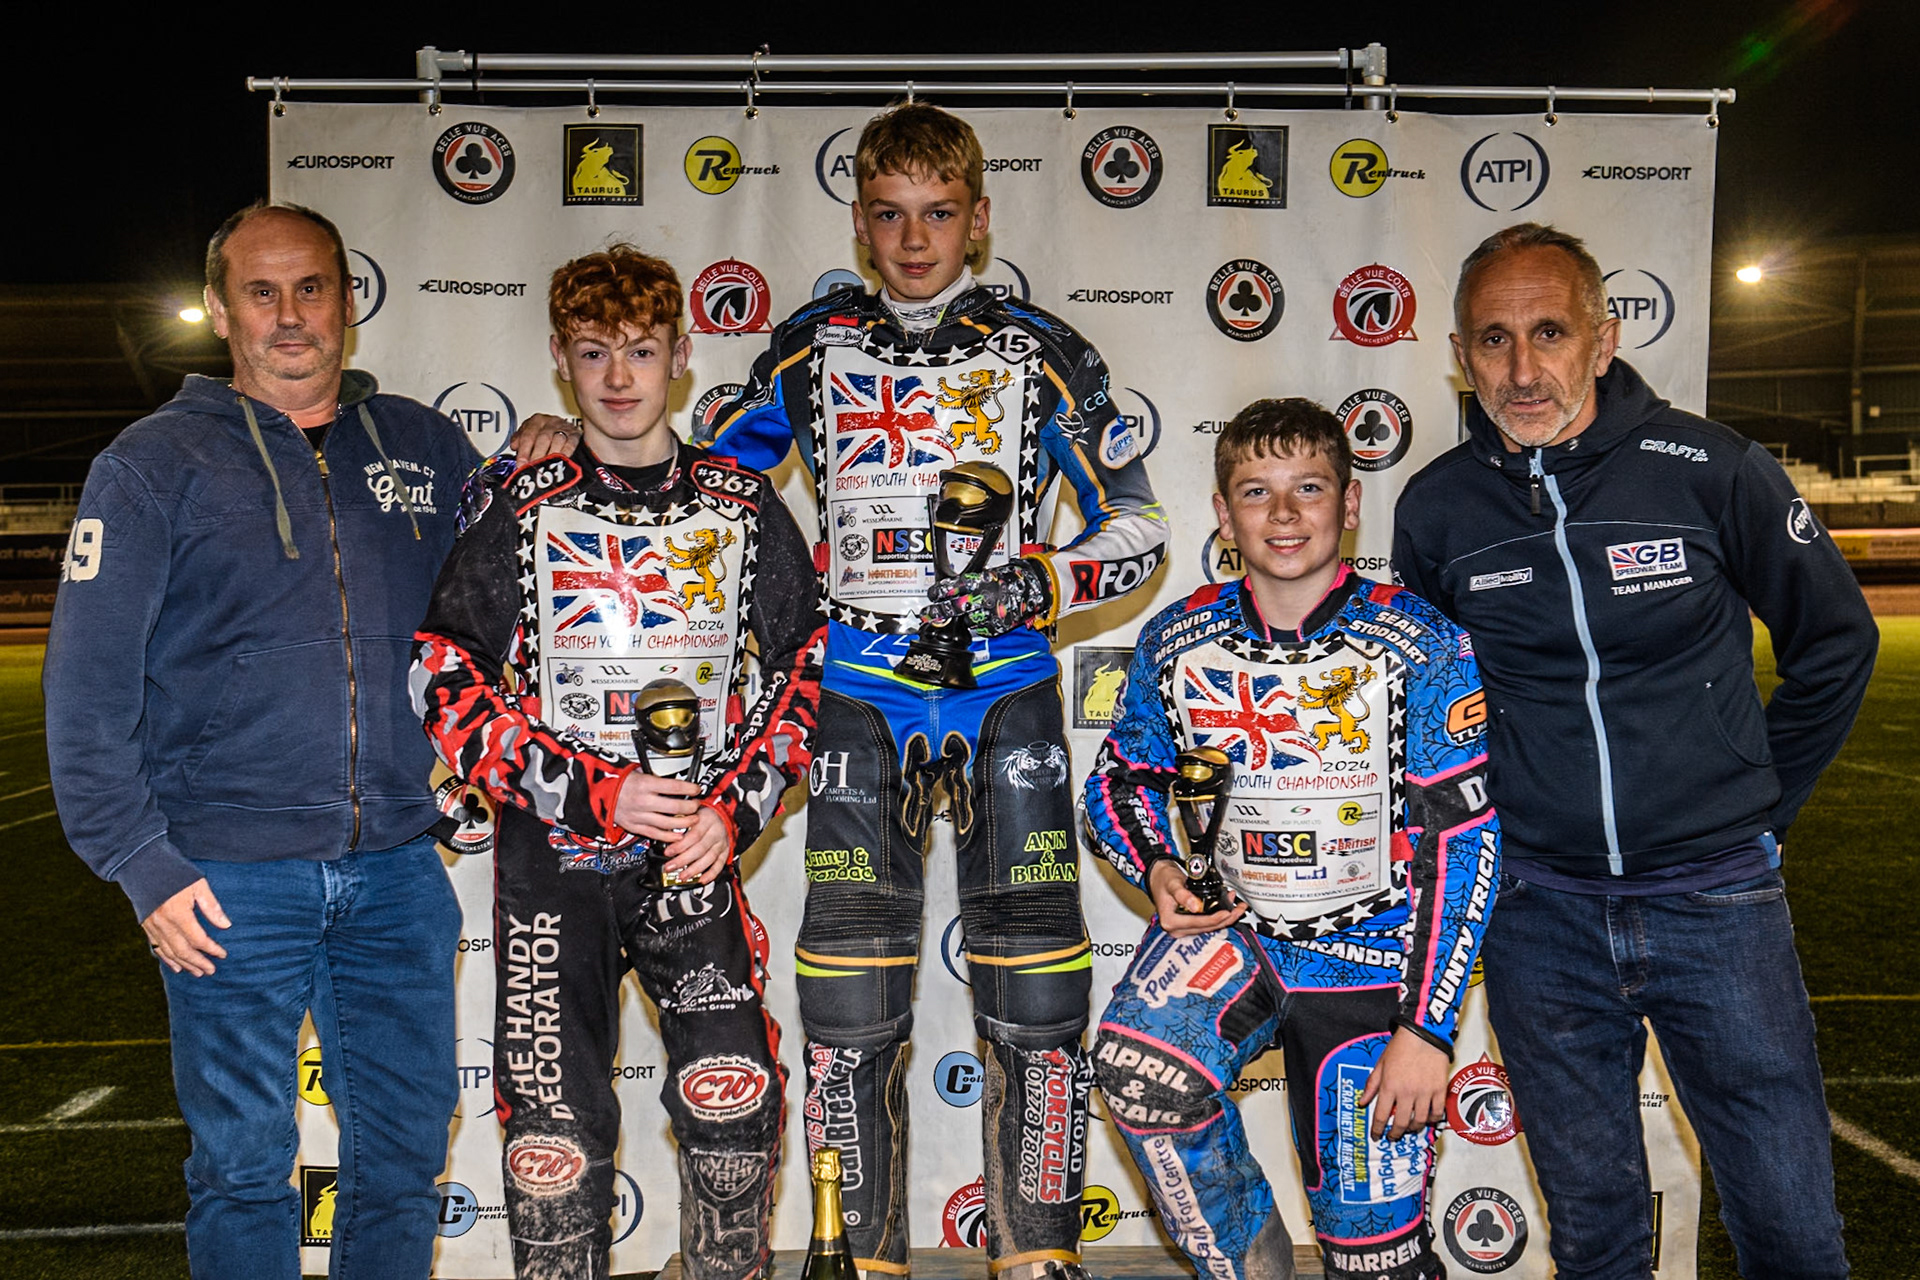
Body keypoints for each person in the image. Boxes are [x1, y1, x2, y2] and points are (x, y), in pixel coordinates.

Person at [695, 102, 1166, 1280]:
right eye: (892, 216)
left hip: (1002, 685)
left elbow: (1144, 524)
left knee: (1041, 994)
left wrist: (1045, 578)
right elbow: (705, 503)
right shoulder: (808, 348)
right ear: (859, 221)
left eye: (940, 213)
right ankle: (856, 1256)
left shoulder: (1042, 347)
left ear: (979, 217)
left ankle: (1038, 1253)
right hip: (857, 685)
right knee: (851, 1006)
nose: (915, 239)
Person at [1392, 223, 1878, 1280]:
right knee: (1597, 1232)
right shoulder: (1435, 510)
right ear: (1460, 356)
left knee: (1791, 1228)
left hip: (1718, 903)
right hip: (1537, 913)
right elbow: (1430, 719)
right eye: (1492, 340)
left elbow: (1836, 643)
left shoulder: (1710, 467)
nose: (1523, 369)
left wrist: (1753, 805)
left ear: (1604, 340)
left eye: (1551, 331)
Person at [42, 202, 480, 1278]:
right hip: (227, 879)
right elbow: (86, 692)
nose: (291, 316)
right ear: (224, 311)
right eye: (261, 291)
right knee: (242, 1166)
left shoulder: (424, 444)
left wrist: (551, 450)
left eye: (313, 288)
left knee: (406, 1157)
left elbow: (518, 592)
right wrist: (145, 865)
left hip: (394, 870)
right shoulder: (151, 463)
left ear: (349, 301)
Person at [412, 244, 825, 1280]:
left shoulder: (739, 502)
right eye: (594, 353)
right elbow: (440, 671)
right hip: (556, 864)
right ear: (560, 357)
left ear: (682, 355)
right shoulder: (524, 502)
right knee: (556, 1136)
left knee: (732, 1099)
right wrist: (593, 789)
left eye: (642, 350)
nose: (619, 377)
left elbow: (811, 670)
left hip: (691, 857)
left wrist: (735, 807)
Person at [1084, 399, 1500, 1280]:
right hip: (1238, 936)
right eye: (1256, 492)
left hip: (1375, 958)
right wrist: (1158, 863)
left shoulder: (1421, 644)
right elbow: (1119, 783)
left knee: (1374, 1261)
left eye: (1308, 489)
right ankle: (1248, 1266)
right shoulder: (1177, 638)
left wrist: (1426, 1030)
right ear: (1223, 513)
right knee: (1137, 1071)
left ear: (1349, 506)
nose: (1283, 515)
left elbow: (1464, 841)